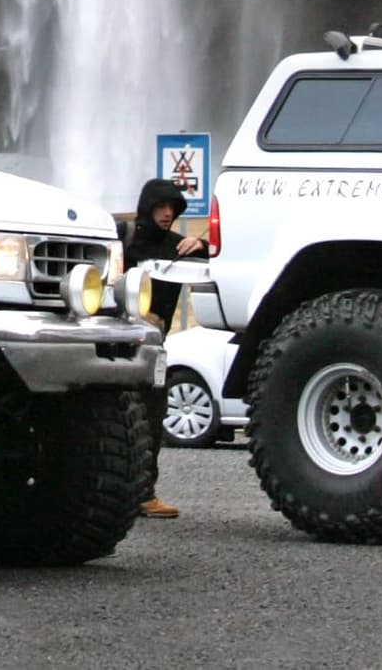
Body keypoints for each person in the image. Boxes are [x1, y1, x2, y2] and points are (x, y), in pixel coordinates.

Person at [122, 177, 210, 520]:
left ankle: (145, 493)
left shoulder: (178, 246)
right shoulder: (123, 238)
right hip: (116, 342)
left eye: (173, 208)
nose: (167, 213)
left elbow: (220, 263)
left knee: (153, 416)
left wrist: (200, 247)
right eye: (161, 206)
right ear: (148, 207)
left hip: (155, 347)